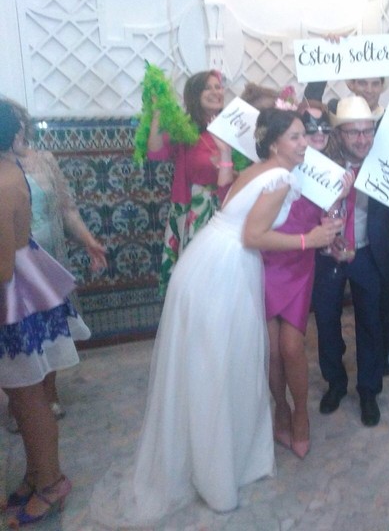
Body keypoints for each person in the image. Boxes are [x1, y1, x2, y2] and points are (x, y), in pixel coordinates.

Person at [90, 108, 341, 526]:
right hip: (227, 268)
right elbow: (252, 236)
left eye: (305, 135)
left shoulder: (259, 169)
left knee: (209, 363)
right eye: (296, 137)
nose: (304, 144)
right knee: (221, 366)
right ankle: (217, 472)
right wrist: (308, 239)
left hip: (205, 259)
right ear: (274, 143)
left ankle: (206, 456)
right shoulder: (279, 178)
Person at [312, 95, 389, 427]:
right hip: (328, 254)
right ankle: (335, 383)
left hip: (368, 253)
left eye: (368, 131)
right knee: (326, 321)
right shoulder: (320, 162)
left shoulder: (384, 163)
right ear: (339, 133)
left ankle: (369, 391)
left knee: (371, 323)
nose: (362, 139)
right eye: (353, 132)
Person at [4, 100, 106, 429]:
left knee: (50, 333)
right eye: (12, 123)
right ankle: (23, 401)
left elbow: (67, 208)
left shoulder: (44, 160)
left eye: (21, 121)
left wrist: (88, 240)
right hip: (15, 267)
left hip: (47, 262)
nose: (18, 129)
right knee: (19, 336)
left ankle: (48, 394)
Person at [0, 100, 77, 528]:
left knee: (29, 399)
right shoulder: (9, 170)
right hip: (21, 287)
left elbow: (2, 267)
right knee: (22, 396)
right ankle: (35, 475)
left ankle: (51, 481)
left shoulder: (3, 180)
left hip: (13, 298)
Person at [263, 99, 352, 459]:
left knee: (291, 347)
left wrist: (338, 200)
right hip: (265, 261)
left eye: (321, 128)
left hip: (299, 265)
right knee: (271, 351)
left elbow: (331, 231)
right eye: (304, 130)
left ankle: (301, 413)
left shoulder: (330, 173)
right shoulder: (267, 170)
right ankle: (280, 409)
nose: (313, 136)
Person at [147, 70, 235, 293]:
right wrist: (157, 112)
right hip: (195, 213)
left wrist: (227, 167)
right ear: (195, 95)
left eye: (218, 87)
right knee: (198, 278)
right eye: (208, 88)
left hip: (231, 208)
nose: (216, 92)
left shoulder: (234, 127)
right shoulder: (185, 129)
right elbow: (155, 152)